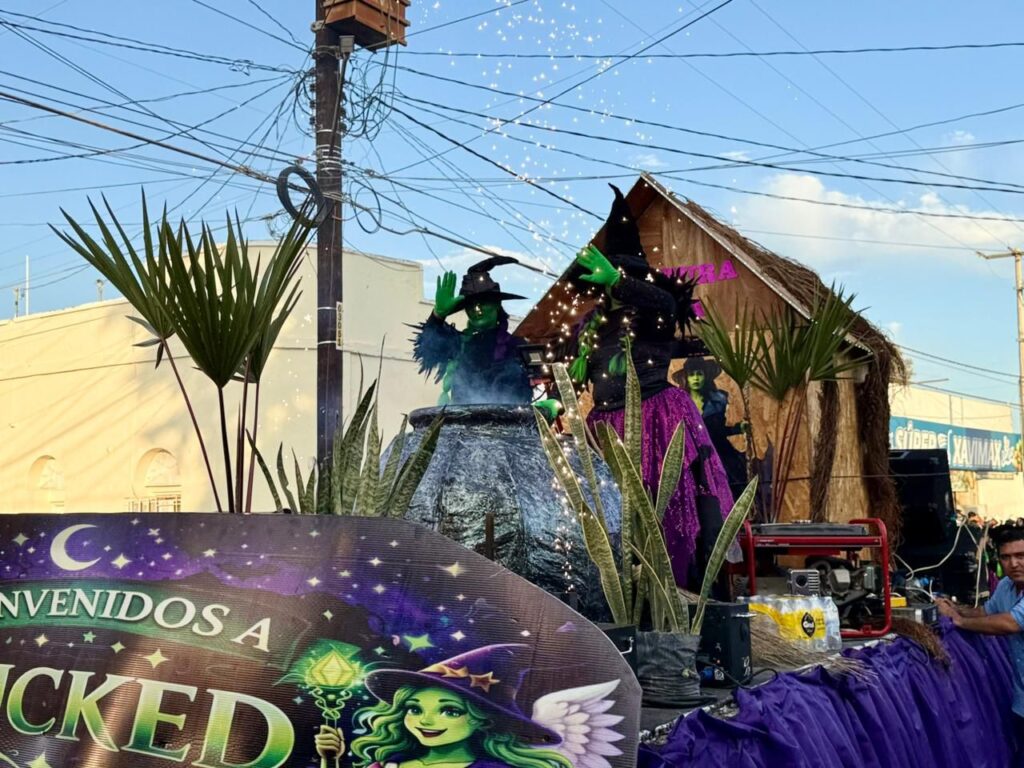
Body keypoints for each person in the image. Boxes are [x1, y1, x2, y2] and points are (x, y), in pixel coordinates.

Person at [566, 185, 734, 588]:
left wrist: (619, 282)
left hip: (656, 419)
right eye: (609, 277)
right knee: (610, 516)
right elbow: (577, 374)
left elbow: (668, 305)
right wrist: (566, 384)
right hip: (605, 429)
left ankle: (677, 591)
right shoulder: (594, 326)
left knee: (668, 511)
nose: (612, 285)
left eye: (624, 276)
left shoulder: (654, 313)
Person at [313, 644, 622, 768]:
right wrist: (330, 761)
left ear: (483, 719)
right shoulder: (390, 764)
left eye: (450, 710)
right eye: (414, 709)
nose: (425, 721)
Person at [936, 524, 1024, 745]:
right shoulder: (1006, 585)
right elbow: (986, 612)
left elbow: (1011, 623)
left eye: (1021, 556)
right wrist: (954, 609)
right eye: (1006, 557)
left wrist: (959, 621)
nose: (1014, 563)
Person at [674, 357, 748, 498]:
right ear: (687, 377)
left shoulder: (719, 399)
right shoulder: (680, 404)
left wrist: (739, 428)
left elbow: (719, 431)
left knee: (732, 484)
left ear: (705, 376)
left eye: (699, 374)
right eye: (692, 374)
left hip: (720, 451)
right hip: (693, 455)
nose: (696, 378)